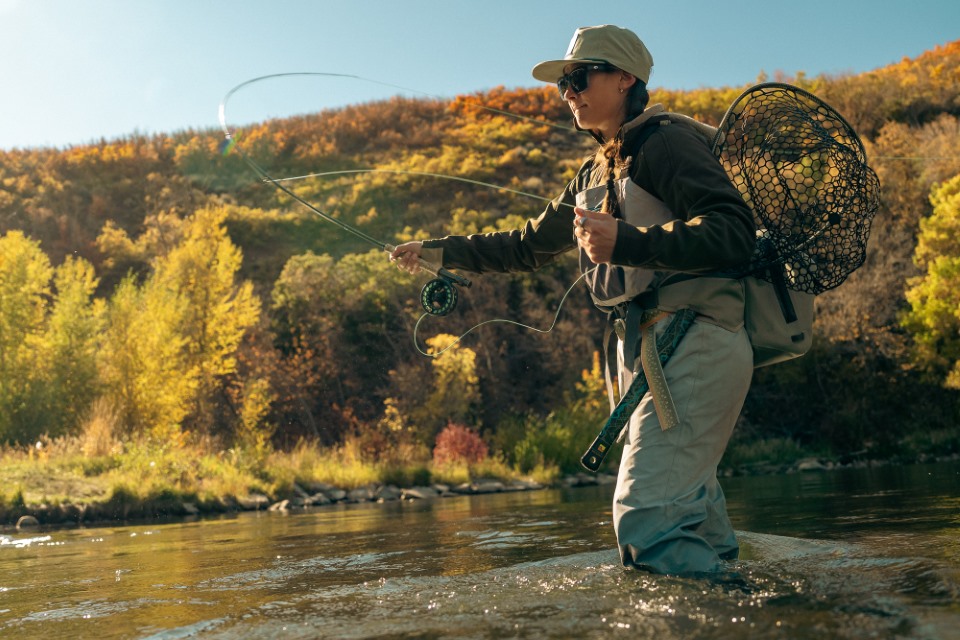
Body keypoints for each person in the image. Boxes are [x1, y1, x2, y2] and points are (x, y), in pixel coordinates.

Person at [391, 24, 756, 575]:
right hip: (649, 354)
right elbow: (525, 248)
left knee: (647, 517)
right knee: (694, 518)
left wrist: (626, 241)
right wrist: (437, 253)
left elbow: (734, 231)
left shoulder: (665, 143)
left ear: (625, 78)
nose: (569, 92)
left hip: (695, 339)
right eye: (564, 83)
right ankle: (752, 612)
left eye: (580, 77)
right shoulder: (593, 170)